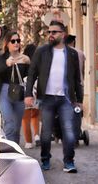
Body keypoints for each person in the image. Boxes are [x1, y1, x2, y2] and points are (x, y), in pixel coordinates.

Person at [25, 20, 83, 173]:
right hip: (47, 98)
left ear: (63, 34)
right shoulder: (41, 51)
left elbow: (77, 79)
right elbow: (32, 74)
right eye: (49, 32)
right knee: (46, 133)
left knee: (69, 131)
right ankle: (45, 160)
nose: (50, 35)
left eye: (54, 32)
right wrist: (28, 94)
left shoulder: (72, 54)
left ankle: (69, 162)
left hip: (66, 99)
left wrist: (80, 100)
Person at [0, 31, 30, 144]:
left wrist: (29, 63)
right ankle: (10, 151)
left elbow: (31, 76)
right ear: (7, 44)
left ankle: (15, 150)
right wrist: (5, 64)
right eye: (13, 41)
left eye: (18, 41)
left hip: (19, 92)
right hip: (4, 91)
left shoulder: (24, 59)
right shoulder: (0, 58)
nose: (16, 43)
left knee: (16, 126)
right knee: (9, 123)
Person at [22, 43, 40, 148]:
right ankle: (37, 135)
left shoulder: (23, 62)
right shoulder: (38, 62)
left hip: (25, 91)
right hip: (37, 89)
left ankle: (28, 142)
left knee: (25, 118)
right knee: (36, 115)